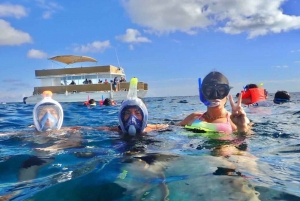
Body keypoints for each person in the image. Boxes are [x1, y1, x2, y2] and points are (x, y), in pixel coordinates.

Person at [177, 71, 250, 134]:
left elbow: (247, 146)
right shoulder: (194, 117)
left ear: (227, 94)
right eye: (209, 90)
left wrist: (242, 128)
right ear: (203, 94)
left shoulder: (238, 120)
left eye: (221, 90)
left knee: (223, 150)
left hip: (227, 147)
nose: (215, 95)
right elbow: (173, 128)